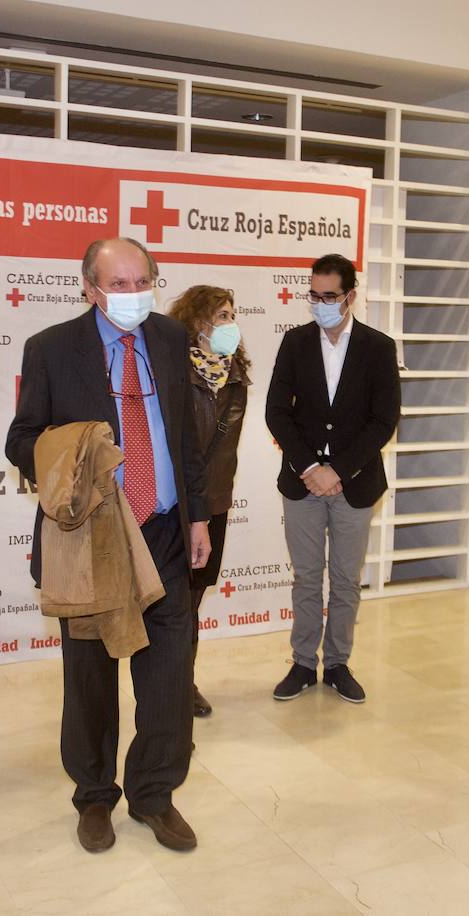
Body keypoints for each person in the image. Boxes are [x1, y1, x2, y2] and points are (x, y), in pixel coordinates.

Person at [5, 237, 211, 854]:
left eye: (142, 281)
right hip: (92, 539)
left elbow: (187, 437)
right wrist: (75, 452)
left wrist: (199, 518)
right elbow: (21, 440)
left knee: (169, 675)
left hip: (165, 531)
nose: (133, 294)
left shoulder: (171, 339)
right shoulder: (51, 348)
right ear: (90, 288)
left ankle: (154, 793)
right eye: (118, 284)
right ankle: (94, 796)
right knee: (91, 678)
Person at [264, 253, 400, 703]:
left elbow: (384, 420)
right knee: (306, 578)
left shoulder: (378, 348)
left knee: (344, 580)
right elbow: (277, 412)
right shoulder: (295, 342)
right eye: (314, 295)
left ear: (350, 296)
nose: (320, 304)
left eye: (329, 296)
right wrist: (310, 468)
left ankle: (338, 663)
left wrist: (337, 470)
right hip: (301, 481)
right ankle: (303, 663)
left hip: (354, 484)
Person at [168, 285, 251, 719]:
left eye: (232, 315)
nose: (230, 324)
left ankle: (184, 682)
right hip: (176, 503)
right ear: (198, 321)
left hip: (215, 501)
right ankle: (171, 687)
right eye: (222, 316)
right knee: (174, 602)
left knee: (193, 598)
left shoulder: (235, 374)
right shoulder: (174, 370)